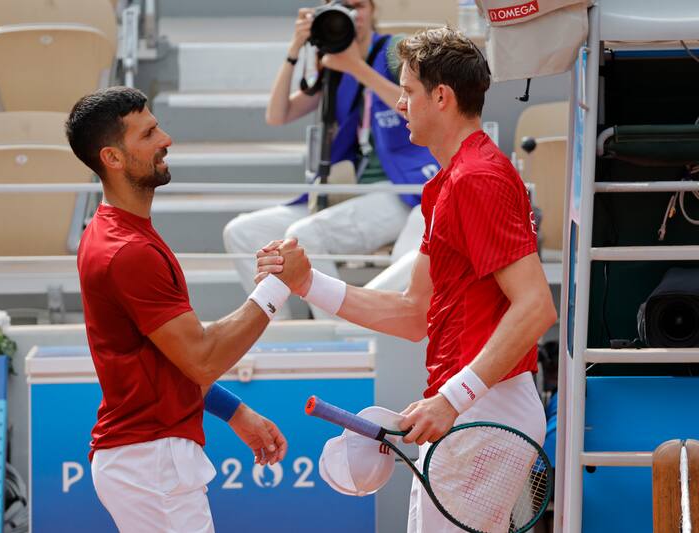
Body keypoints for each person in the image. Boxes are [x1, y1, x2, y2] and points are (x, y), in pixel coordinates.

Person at [256, 27, 558, 532]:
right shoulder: (447, 184)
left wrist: (452, 398)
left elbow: (535, 308)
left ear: (441, 97)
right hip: (478, 403)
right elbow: (413, 312)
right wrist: (306, 283)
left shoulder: (476, 178)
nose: (398, 103)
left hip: (487, 407)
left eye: (407, 91)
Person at [65, 86, 311, 533]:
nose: (167, 139)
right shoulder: (128, 250)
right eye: (149, 133)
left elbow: (174, 359)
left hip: (148, 460)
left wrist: (235, 411)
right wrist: (279, 287)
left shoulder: (117, 235)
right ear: (113, 158)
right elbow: (201, 357)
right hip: (151, 461)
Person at [223, 0, 440, 318]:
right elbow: (277, 114)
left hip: (404, 188)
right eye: (341, 6)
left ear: (373, 9)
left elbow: (418, 107)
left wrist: (357, 66)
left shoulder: (394, 50)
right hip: (353, 192)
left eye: (358, 5)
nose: (352, 15)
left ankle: (343, 335)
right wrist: (296, 48)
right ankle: (274, 329)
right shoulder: (333, 64)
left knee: (306, 235)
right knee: (242, 232)